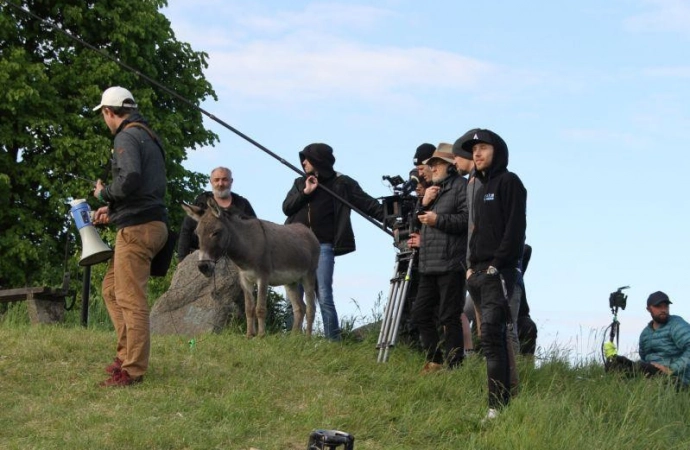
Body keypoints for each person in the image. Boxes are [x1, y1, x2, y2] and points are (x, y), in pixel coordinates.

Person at [91, 86, 169, 387]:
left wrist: (104, 192)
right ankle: (125, 356)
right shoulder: (148, 135)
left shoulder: (125, 136)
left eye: (103, 116)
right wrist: (112, 209)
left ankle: (132, 370)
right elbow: (143, 188)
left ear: (109, 112)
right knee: (111, 289)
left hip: (138, 230)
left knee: (130, 298)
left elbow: (130, 179)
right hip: (150, 223)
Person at [282, 143, 383, 341]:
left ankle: (333, 342)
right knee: (293, 296)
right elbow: (287, 208)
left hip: (322, 247)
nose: (303, 162)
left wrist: (390, 221)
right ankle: (292, 340)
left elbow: (368, 204)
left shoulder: (342, 183)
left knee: (324, 296)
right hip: (295, 247)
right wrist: (305, 192)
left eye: (307, 159)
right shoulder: (299, 182)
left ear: (319, 161)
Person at [462, 128, 527, 419]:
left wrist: (496, 265)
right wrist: (471, 267)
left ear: (497, 151)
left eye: (483, 148)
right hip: (477, 272)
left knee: (493, 335)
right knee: (488, 338)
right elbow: (476, 231)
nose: (476, 153)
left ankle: (497, 407)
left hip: (498, 272)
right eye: (474, 150)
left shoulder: (509, 182)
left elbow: (515, 229)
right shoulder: (480, 188)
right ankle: (497, 404)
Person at [408, 143, 468, 372]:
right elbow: (414, 225)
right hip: (428, 263)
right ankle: (435, 360)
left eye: (436, 163)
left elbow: (467, 220)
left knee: (449, 316)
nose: (432, 168)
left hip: (452, 262)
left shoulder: (461, 187)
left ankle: (455, 367)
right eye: (430, 164)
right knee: (420, 313)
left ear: (450, 166)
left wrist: (438, 220)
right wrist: (423, 204)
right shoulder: (431, 190)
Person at [605, 291, 690, 388]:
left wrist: (671, 369)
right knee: (617, 362)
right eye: (658, 306)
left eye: (666, 306)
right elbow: (644, 358)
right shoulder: (645, 334)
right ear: (648, 309)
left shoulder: (676, 324)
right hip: (652, 372)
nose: (663, 310)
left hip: (678, 378)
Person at [178, 166, 256, 260]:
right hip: (201, 257)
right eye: (216, 180)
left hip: (236, 258)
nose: (220, 183)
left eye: (224, 179)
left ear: (231, 181)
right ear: (211, 182)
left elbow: (255, 231)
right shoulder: (201, 203)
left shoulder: (242, 204)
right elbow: (186, 231)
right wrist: (181, 260)